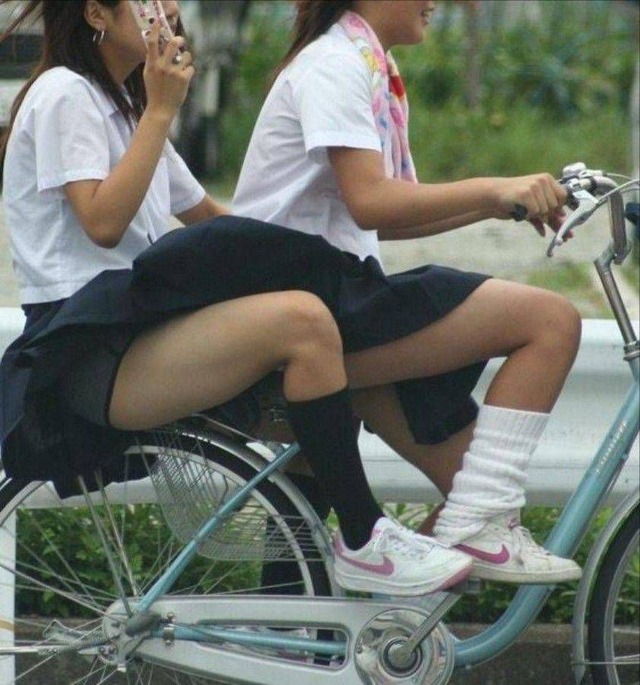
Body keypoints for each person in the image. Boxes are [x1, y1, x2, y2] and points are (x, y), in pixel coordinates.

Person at [0, 0, 474, 598]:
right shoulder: (65, 93)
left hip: (135, 327)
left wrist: (303, 250)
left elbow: (208, 218)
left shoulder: (123, 103)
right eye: (148, 0)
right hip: (86, 347)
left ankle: (292, 616)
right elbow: (102, 222)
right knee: (302, 325)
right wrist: (163, 111)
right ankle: (364, 537)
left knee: (328, 377)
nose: (169, 10)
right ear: (96, 13)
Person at [232, 0, 583, 584]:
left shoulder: (365, 65)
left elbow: (382, 218)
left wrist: (499, 205)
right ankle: (477, 527)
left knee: (464, 480)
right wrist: (494, 189)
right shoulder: (335, 65)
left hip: (328, 294)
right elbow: (372, 201)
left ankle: (399, 607)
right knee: (550, 320)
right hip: (309, 305)